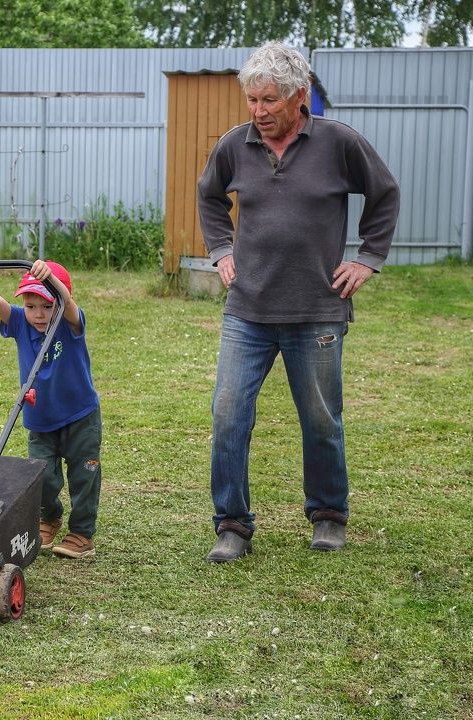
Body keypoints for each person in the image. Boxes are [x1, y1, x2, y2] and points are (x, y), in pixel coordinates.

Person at [197, 42, 400, 563]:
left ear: (299, 97)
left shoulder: (338, 143)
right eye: (252, 100)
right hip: (248, 310)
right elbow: (209, 196)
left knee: (320, 418)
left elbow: (384, 193)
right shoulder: (234, 146)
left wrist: (368, 258)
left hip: (317, 309)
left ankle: (329, 514)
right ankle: (232, 524)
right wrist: (221, 250)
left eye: (269, 101)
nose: (258, 112)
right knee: (228, 415)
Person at [0, 257, 102, 559]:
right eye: (32, 305)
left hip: (80, 417)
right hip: (40, 419)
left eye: (47, 306)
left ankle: (82, 532)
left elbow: (68, 302)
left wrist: (52, 280)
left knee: (84, 476)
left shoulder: (70, 322)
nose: (39, 314)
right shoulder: (20, 323)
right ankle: (49, 517)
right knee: (42, 477)